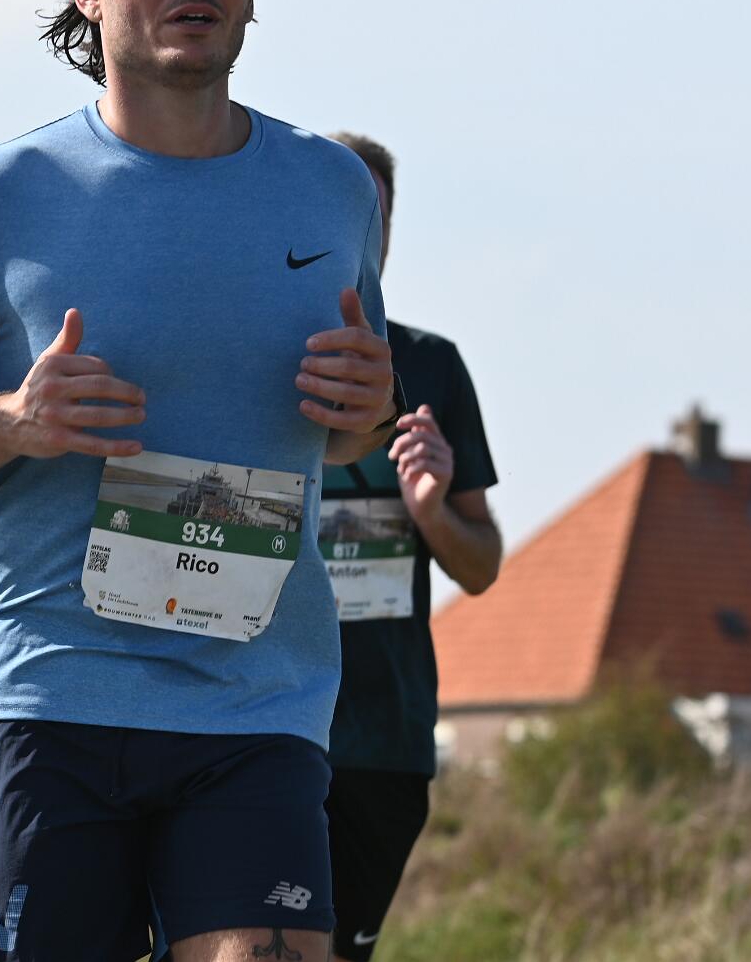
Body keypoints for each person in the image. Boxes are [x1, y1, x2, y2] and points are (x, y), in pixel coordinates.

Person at [0, 0, 399, 962]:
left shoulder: (331, 189)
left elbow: (345, 426)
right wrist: (9, 420)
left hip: (255, 698)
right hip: (48, 689)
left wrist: (368, 410)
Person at [316, 134, 502, 962]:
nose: (357, 234)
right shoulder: (240, 353)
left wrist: (429, 510)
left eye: (374, 217)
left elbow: (481, 565)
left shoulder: (431, 368)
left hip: (379, 742)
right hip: (247, 726)